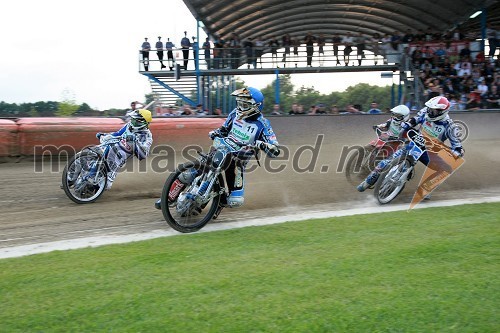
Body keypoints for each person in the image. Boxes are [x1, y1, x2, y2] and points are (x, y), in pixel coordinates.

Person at [154, 87, 280, 210]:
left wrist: (263, 145)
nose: (240, 107)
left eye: (245, 105)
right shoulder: (234, 114)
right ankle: (168, 198)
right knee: (189, 173)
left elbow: (275, 149)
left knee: (235, 201)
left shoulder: (263, 124)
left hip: (237, 160)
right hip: (221, 148)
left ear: (256, 106)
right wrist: (216, 132)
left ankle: (220, 200)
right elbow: (224, 129)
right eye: (240, 103)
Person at [357, 97, 464, 195]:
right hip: (415, 142)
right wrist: (407, 125)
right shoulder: (425, 111)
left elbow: (458, 146)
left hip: (430, 153)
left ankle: (425, 189)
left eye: (434, 110)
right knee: (388, 160)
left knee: (446, 170)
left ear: (443, 111)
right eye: (430, 108)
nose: (431, 111)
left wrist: (457, 152)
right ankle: (368, 181)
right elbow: (415, 119)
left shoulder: (450, 126)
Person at [95, 110, 153, 190]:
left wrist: (135, 143)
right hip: (110, 146)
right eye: (132, 119)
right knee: (90, 153)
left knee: (105, 185)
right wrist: (105, 135)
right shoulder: (129, 125)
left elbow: (143, 155)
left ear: (143, 123)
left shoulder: (147, 137)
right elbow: (117, 134)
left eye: (134, 120)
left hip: (118, 159)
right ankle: (71, 177)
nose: (132, 121)